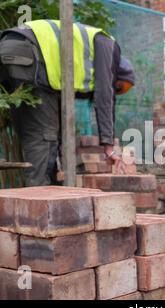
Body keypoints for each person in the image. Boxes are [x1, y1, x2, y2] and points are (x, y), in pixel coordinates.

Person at [0, 19, 135, 186]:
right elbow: (104, 96)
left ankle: (42, 194)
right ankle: (40, 202)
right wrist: (108, 146)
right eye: (118, 87)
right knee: (44, 137)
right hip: (30, 55)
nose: (115, 89)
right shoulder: (107, 44)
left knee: (35, 134)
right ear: (118, 72)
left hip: (11, 48)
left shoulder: (67, 70)